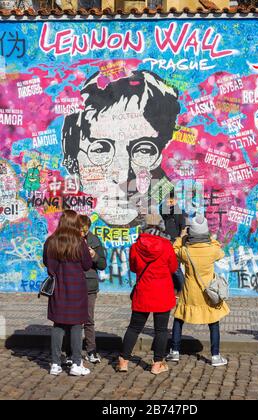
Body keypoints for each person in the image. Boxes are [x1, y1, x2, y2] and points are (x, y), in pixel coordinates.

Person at [62, 69, 180, 226]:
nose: (122, 177)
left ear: (158, 157)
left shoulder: (168, 201)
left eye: (143, 150)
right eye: (100, 149)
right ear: (71, 157)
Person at [117, 214, 178, 375]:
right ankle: (157, 364)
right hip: (162, 292)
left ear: (143, 226)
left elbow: (133, 268)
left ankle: (123, 361)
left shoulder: (136, 246)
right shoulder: (166, 245)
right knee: (161, 330)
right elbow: (173, 268)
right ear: (161, 226)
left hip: (143, 291)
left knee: (134, 327)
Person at [166, 216, 230, 367]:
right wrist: (210, 238)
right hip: (209, 292)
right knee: (214, 323)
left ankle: (174, 351)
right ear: (206, 233)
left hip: (190, 292)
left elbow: (173, 250)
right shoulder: (212, 250)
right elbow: (221, 252)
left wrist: (181, 237)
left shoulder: (185, 251)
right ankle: (215, 356)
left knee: (179, 319)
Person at [43, 210, 93, 376]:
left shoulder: (51, 241)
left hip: (58, 288)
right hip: (77, 288)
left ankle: (55, 364)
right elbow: (86, 265)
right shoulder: (79, 242)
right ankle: (76, 363)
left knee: (58, 325)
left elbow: (47, 264)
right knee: (77, 325)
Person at [79, 214, 106, 363]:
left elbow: (102, 264)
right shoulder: (70, 239)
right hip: (73, 283)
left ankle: (91, 350)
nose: (82, 233)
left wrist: (94, 255)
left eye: (85, 230)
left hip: (89, 285)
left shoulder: (94, 240)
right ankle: (71, 352)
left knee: (89, 319)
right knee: (73, 321)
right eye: (80, 230)